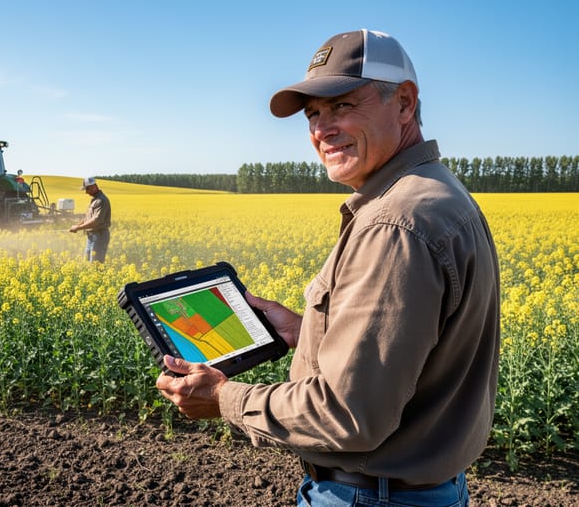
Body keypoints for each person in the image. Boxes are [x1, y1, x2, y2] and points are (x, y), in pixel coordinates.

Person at [156, 29, 500, 507]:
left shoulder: (394, 224)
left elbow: (347, 414)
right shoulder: (436, 194)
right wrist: (308, 330)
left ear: (404, 103)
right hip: (423, 489)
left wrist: (223, 398)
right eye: (314, 114)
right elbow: (414, 348)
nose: (322, 129)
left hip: (373, 497)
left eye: (343, 106)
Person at [69, 177, 111, 263]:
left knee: (95, 265)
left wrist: (78, 228)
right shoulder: (95, 200)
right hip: (91, 236)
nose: (86, 192)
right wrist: (78, 226)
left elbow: (96, 220)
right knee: (88, 263)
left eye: (87, 189)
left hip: (99, 236)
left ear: (94, 186)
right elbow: (87, 218)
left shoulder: (101, 200)